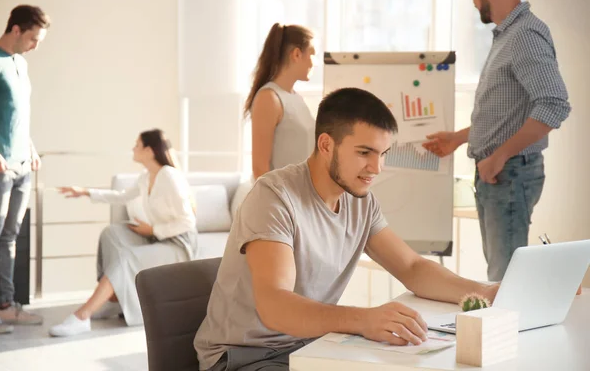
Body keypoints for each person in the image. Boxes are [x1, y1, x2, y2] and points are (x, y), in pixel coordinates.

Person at [194, 88, 499, 371]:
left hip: (310, 345)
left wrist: (484, 291)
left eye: (383, 154)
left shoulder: (359, 201)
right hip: (245, 356)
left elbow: (412, 266)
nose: (376, 168)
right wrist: (364, 319)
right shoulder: (274, 197)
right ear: (326, 144)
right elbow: (275, 304)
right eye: (364, 153)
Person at [423, 0, 571, 281]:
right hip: (500, 175)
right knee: (500, 276)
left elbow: (554, 104)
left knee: (504, 281)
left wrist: (500, 156)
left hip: (509, 174)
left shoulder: (524, 35)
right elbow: (507, 114)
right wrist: (459, 138)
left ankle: (508, 331)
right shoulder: (509, 35)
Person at [49, 129, 198, 337]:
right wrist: (85, 191)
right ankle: (114, 298)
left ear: (149, 150)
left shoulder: (169, 177)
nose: (133, 149)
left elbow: (188, 221)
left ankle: (82, 317)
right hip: (156, 236)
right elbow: (121, 196)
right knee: (111, 234)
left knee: (126, 257)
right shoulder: (147, 177)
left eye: (137, 145)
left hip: (179, 245)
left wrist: (153, 230)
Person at [0, 5, 50, 334]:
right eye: (33, 38)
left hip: (22, 165)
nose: (35, 45)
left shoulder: (21, 64)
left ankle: (4, 306)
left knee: (9, 238)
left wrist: (30, 145)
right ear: (15, 29)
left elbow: (18, 112)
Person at [245, 23, 316, 180]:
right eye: (312, 55)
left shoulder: (297, 98)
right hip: (280, 199)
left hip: (301, 198)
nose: (313, 63)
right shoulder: (269, 98)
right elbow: (259, 168)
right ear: (297, 54)